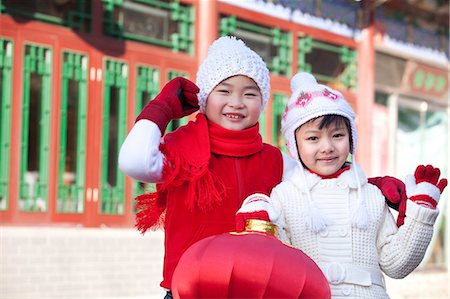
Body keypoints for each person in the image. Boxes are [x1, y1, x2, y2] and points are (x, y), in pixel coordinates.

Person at [119, 36, 409, 297]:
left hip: (256, 290)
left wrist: (371, 185)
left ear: (263, 102)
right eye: (224, 91)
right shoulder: (180, 151)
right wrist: (163, 107)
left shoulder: (278, 160)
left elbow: (323, 187)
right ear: (204, 99)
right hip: (191, 289)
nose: (236, 102)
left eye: (249, 93)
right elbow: (134, 161)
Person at [239, 72, 448, 298]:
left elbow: (396, 266)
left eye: (337, 135)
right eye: (313, 139)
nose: (327, 147)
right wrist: (257, 223)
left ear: (351, 139)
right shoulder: (284, 196)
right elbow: (277, 265)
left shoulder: (371, 195)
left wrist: (420, 215)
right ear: (294, 145)